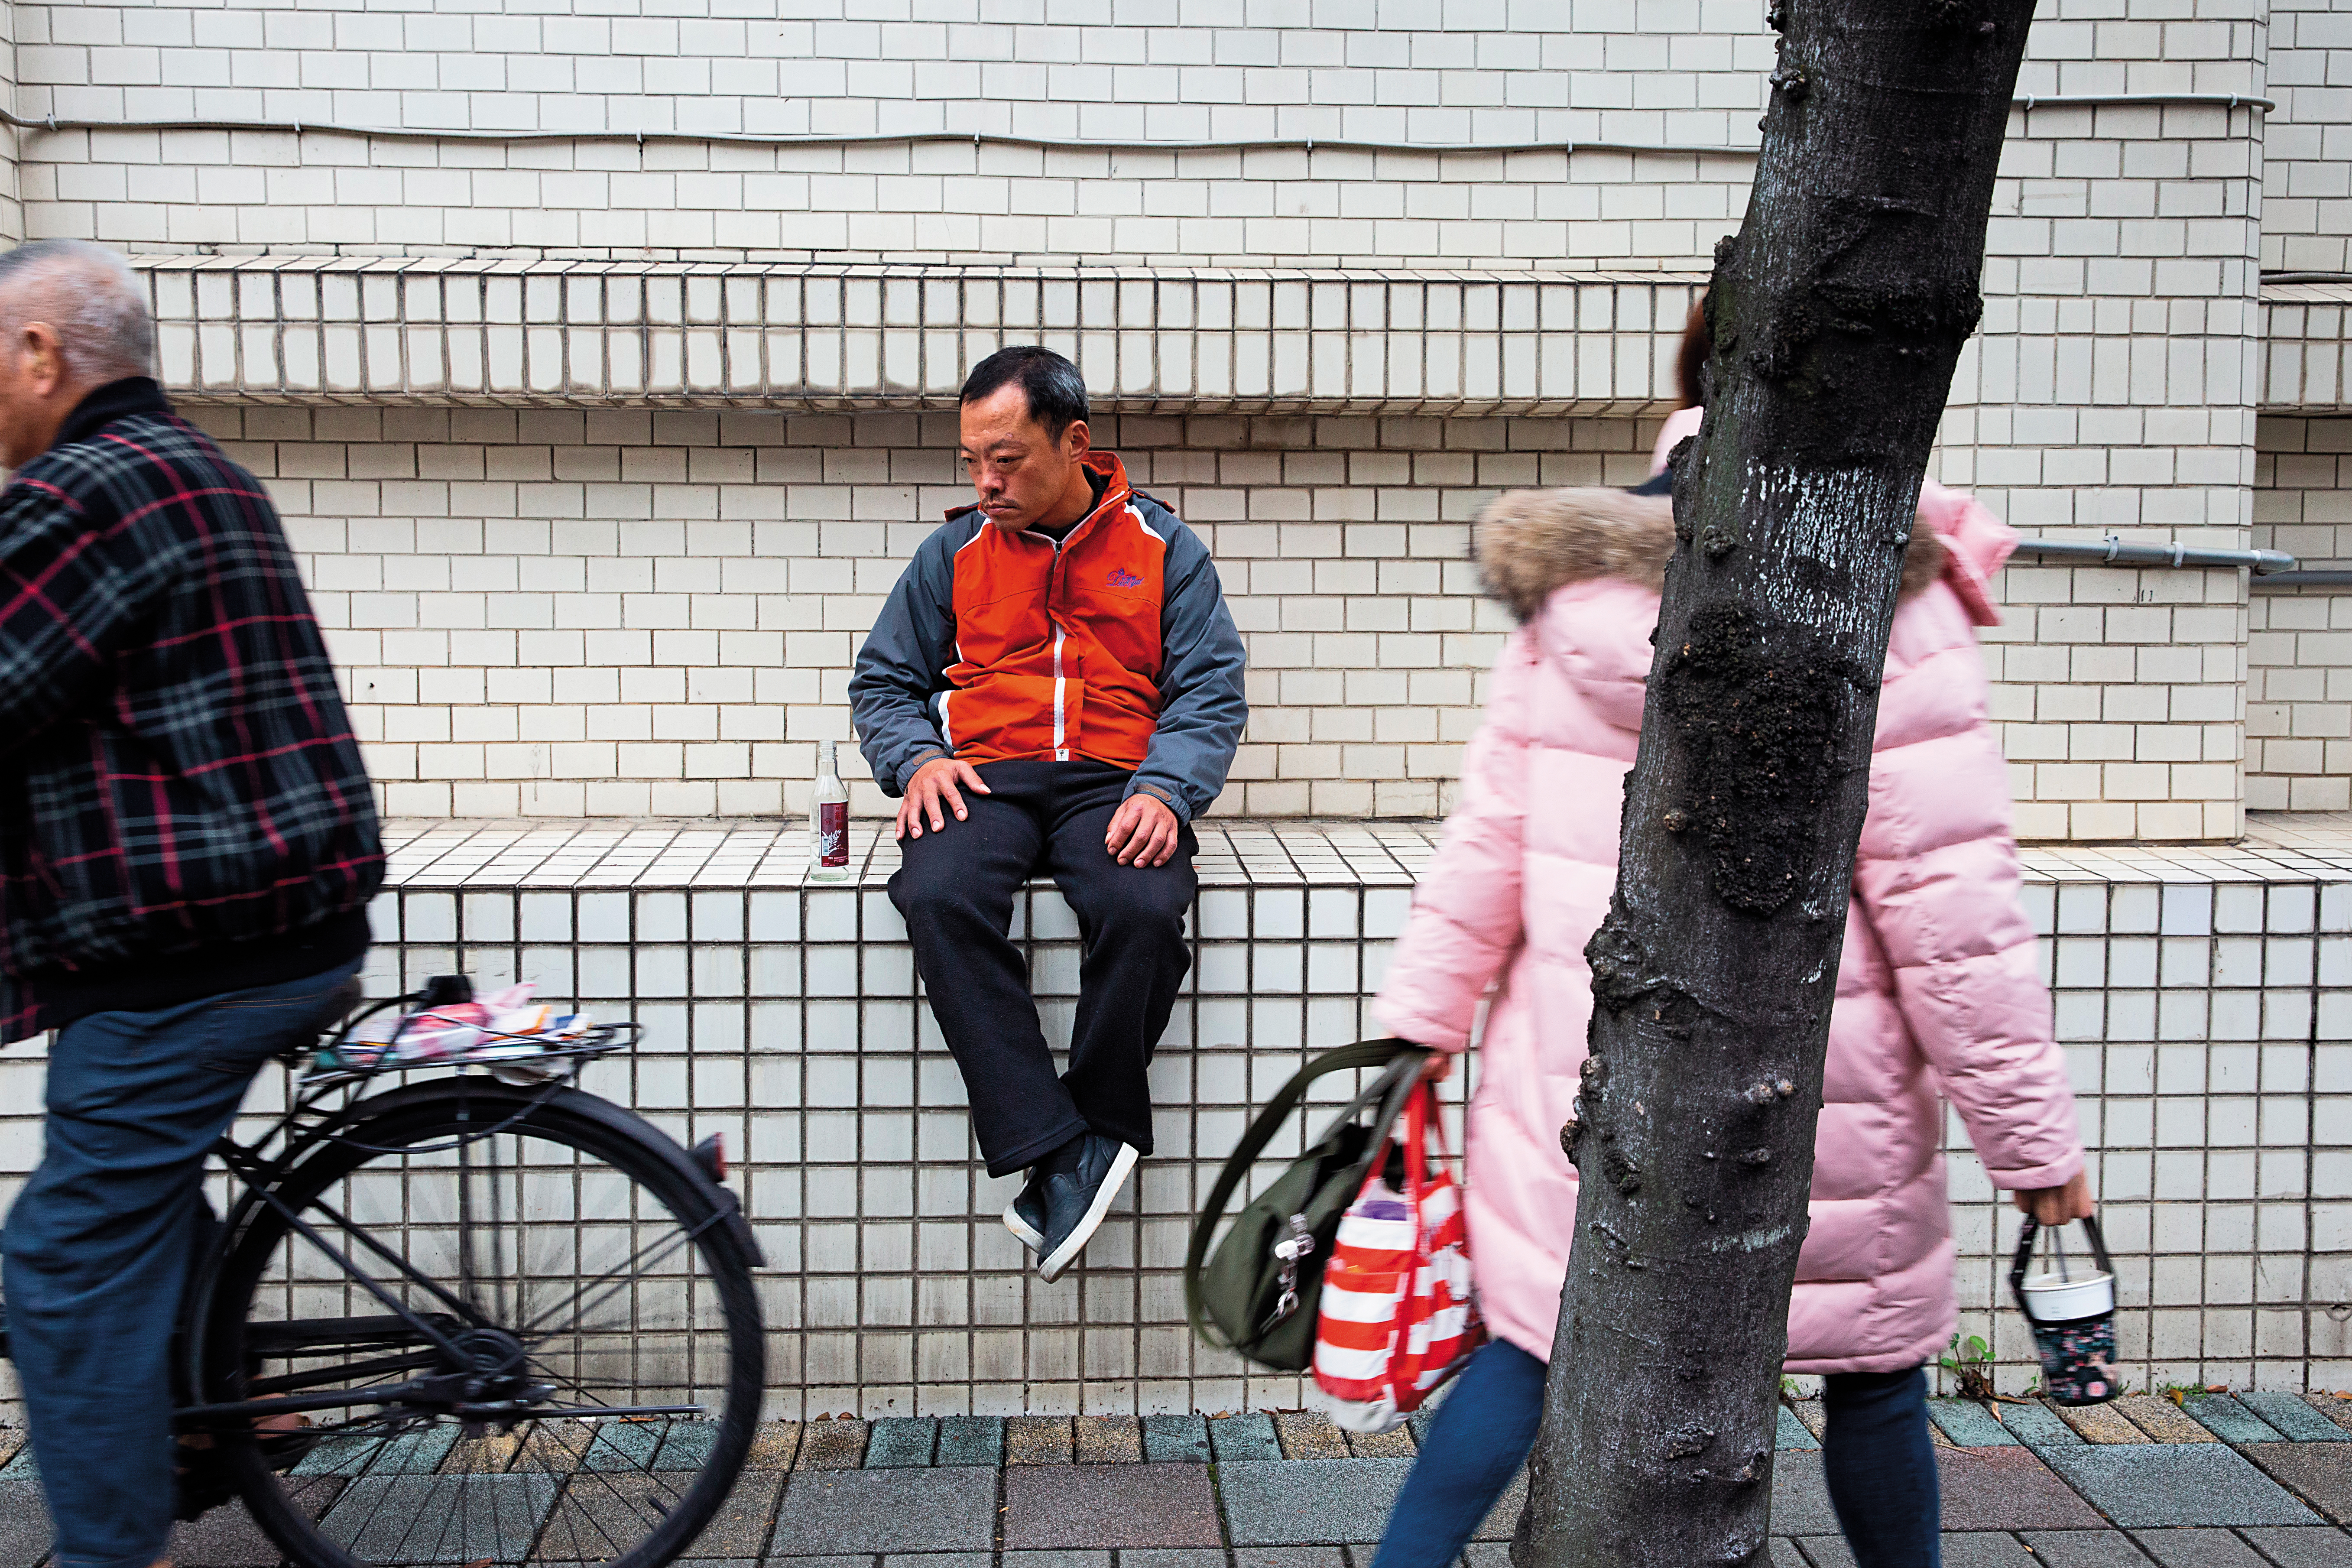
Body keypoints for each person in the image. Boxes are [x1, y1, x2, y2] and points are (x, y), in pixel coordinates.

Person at [1366, 466, 2089, 1568]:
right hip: (1811, 1093)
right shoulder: (1881, 598)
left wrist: (1421, 1023)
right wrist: (2031, 1143)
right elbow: (1955, 921)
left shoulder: (1574, 598)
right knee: (1876, 1378)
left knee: (1529, 1348)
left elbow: (1486, 842)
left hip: (1587, 1071)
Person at [0, 239, 384, 1568]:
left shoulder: (80, 492)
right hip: (286, 912)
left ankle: (113, 1552)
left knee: (64, 1256)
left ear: (43, 355)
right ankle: (221, 1392)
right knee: (137, 1183)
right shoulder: (203, 466)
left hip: (193, 948)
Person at [850, 346, 1247, 1282]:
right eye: (972, 463)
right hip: (984, 774)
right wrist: (916, 760)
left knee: (1143, 908)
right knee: (937, 892)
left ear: (1074, 442)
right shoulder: (950, 555)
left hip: (1114, 776)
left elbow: (1209, 688)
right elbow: (885, 681)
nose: (987, 482)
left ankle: (1090, 1132)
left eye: (1008, 459)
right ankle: (1063, 1142)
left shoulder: (1164, 549)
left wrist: (1166, 787)